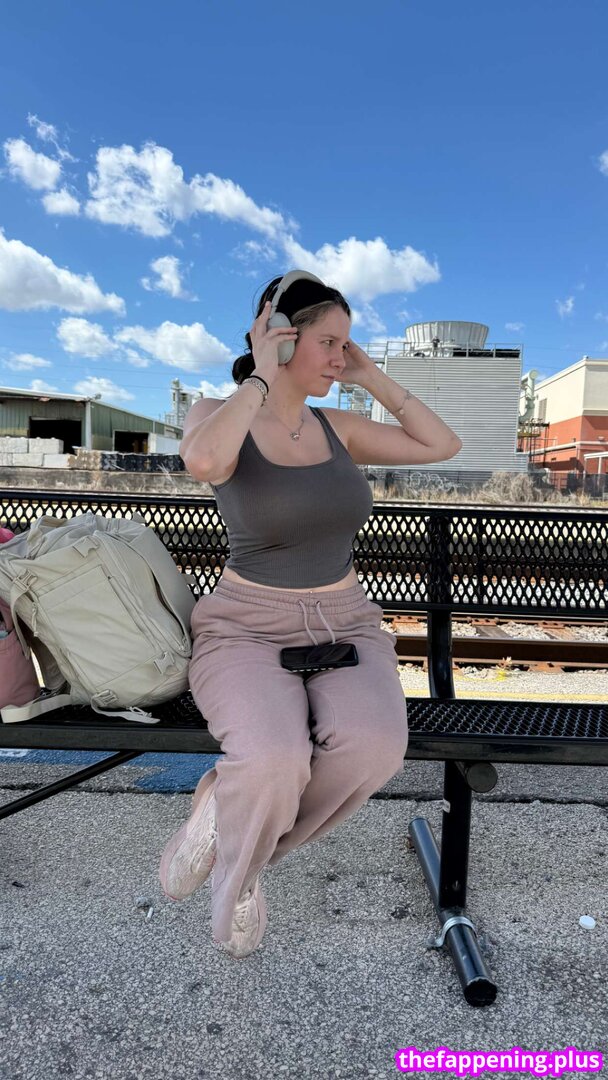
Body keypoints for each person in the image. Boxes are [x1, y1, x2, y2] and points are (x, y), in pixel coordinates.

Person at [159, 271, 462, 959]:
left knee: (374, 748)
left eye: (345, 344)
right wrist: (260, 375)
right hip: (246, 625)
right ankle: (239, 881)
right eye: (328, 342)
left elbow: (441, 446)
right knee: (273, 759)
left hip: (345, 622)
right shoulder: (219, 411)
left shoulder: (337, 428)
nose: (338, 357)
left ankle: (233, 832)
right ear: (279, 336)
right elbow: (204, 460)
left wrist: (371, 375)